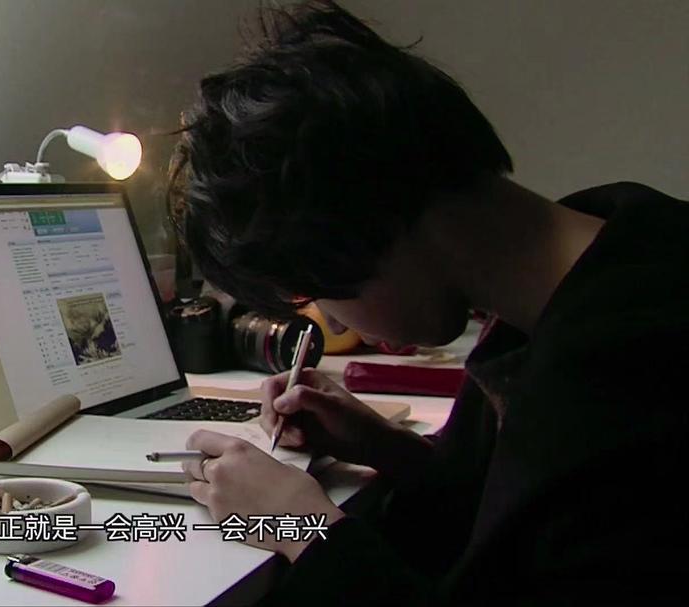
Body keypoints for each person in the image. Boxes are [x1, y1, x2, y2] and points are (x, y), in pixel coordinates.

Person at [167, 1, 688, 603]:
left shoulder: (629, 378)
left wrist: (304, 529)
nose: (329, 319)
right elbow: (525, 517)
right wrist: (392, 450)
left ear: (361, 225)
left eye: (312, 292)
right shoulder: (618, 265)